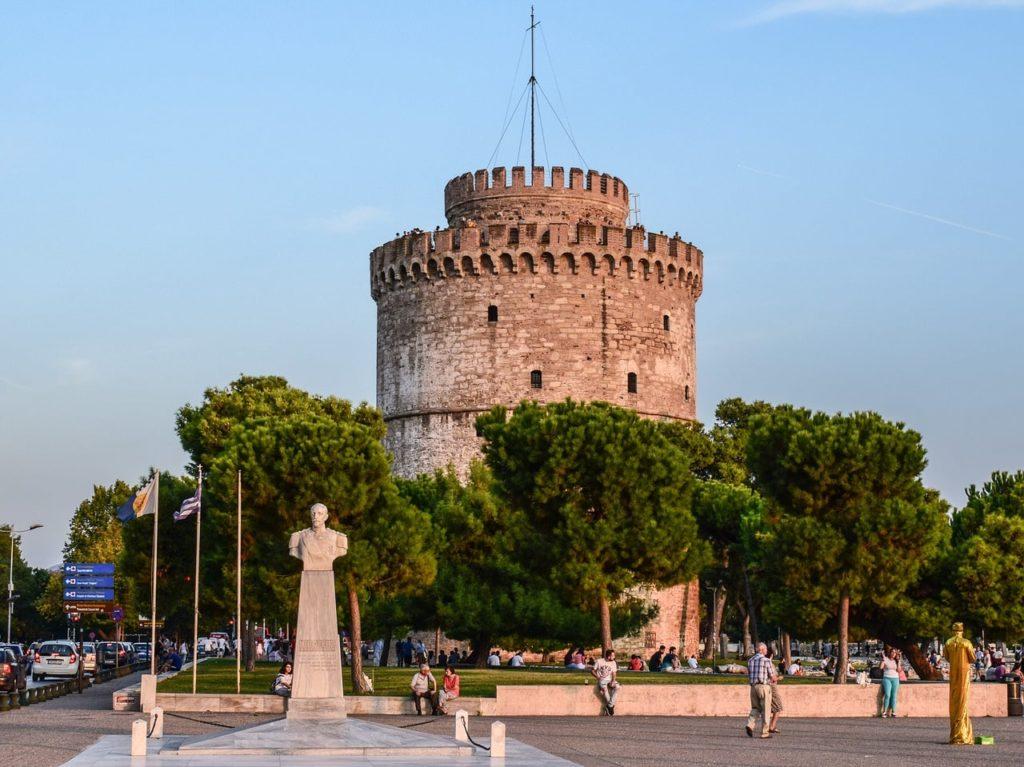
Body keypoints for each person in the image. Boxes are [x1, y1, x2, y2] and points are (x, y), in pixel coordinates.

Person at [945, 621, 974, 745]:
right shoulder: (966, 643)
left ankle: (955, 733)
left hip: (953, 675)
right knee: (963, 702)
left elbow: (947, 657)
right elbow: (972, 658)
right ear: (962, 631)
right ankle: (962, 734)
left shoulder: (948, 642)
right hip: (964, 674)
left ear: (953, 630)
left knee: (954, 701)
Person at [745, 642, 773, 739]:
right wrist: (776, 678)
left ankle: (750, 725)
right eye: (765, 649)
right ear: (762, 650)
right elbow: (772, 676)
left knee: (755, 708)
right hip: (763, 687)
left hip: (753, 687)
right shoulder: (767, 660)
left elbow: (749, 674)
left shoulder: (750, 660)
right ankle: (765, 733)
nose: (766, 651)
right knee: (766, 710)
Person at [592, 648, 620, 715]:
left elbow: (614, 673)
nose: (614, 657)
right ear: (608, 656)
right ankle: (610, 706)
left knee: (618, 687)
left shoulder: (613, 662)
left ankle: (609, 706)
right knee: (605, 691)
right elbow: (592, 670)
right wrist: (598, 677)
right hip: (602, 680)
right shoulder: (599, 661)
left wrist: (613, 681)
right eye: (613, 656)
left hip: (610, 679)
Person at [766, 647, 784, 734]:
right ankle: (772, 726)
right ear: (772, 655)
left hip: (764, 687)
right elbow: (773, 678)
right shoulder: (770, 664)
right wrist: (779, 678)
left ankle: (769, 726)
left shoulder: (762, 663)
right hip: (772, 687)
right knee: (778, 707)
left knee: (767, 708)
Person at [879, 647, 900, 717]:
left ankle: (893, 712)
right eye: (892, 652)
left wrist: (899, 661)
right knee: (887, 694)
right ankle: (884, 712)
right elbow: (881, 668)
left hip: (895, 679)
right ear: (890, 653)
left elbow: (899, 671)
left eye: (895, 652)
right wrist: (883, 660)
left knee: (894, 696)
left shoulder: (896, 661)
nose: (893, 654)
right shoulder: (886, 659)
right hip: (887, 678)